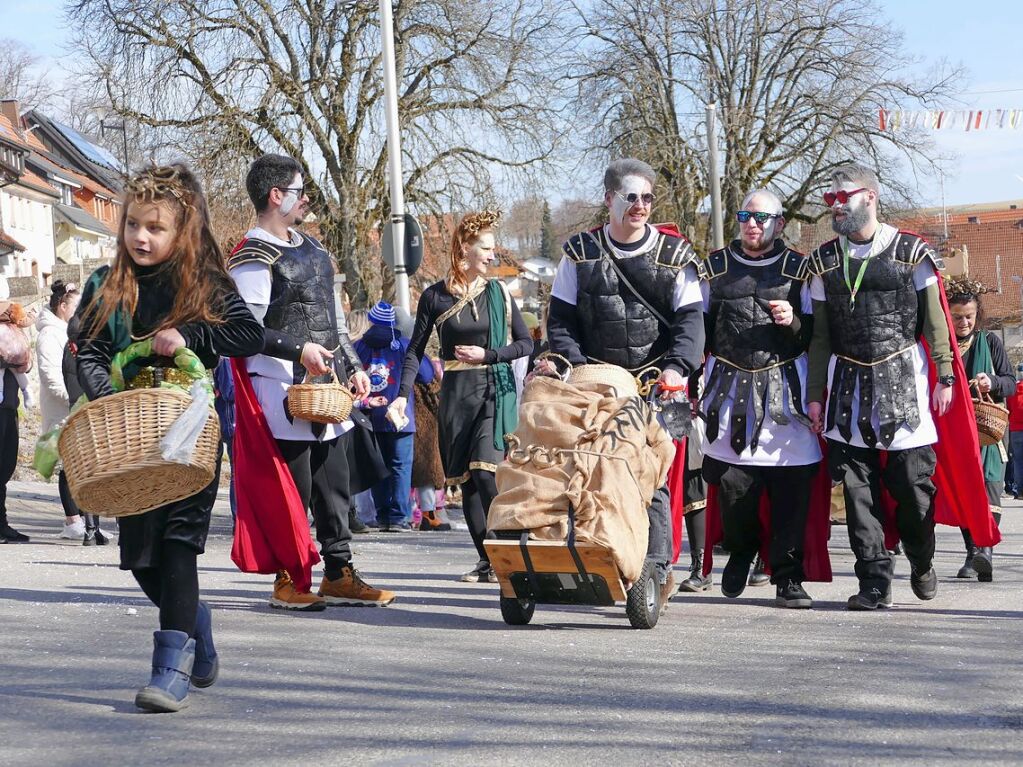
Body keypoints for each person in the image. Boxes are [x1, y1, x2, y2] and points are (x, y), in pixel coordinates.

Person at [74, 163, 263, 712]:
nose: (140, 236)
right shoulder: (107, 285)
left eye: (155, 227)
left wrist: (191, 331)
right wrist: (106, 397)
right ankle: (194, 621)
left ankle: (170, 669)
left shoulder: (204, 281)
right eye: (133, 224)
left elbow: (246, 332)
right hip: (128, 434)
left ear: (182, 230)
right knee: (139, 556)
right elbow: (86, 350)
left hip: (189, 432)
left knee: (179, 546)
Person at [806, 162, 995, 610]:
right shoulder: (823, 261)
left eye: (842, 197)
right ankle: (874, 581)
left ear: (869, 196)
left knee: (912, 487)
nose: (835, 206)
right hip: (847, 388)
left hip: (905, 386)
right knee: (857, 493)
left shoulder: (913, 253)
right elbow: (819, 338)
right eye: (830, 199)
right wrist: (815, 395)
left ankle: (922, 558)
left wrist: (947, 375)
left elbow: (935, 323)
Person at [229, 153, 394, 610]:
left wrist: (355, 366)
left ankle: (339, 573)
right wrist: (297, 350)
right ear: (275, 195)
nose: (306, 200)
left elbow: (334, 322)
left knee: (333, 484)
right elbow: (244, 331)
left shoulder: (316, 250)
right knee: (292, 489)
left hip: (329, 389)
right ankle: (288, 576)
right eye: (299, 191)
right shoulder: (251, 256)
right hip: (281, 387)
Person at [541, 157, 705, 605]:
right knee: (590, 470)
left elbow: (692, 323)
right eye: (631, 197)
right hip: (598, 384)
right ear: (609, 199)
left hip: (661, 383)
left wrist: (677, 368)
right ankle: (597, 558)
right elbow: (561, 321)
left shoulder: (677, 256)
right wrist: (575, 368)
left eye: (648, 197)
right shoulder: (579, 253)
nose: (640, 205)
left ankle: (656, 568)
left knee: (656, 479)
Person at [390, 210, 533, 581]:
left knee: (487, 473)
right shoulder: (435, 297)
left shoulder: (499, 292)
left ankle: (507, 552)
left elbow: (524, 343)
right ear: (463, 249)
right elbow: (414, 351)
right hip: (455, 396)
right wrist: (401, 395)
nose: (491, 255)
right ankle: (486, 559)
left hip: (492, 391)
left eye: (492, 248)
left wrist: (489, 355)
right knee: (466, 480)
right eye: (485, 248)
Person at [699, 189, 821, 608]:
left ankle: (788, 576)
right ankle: (742, 548)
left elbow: (817, 336)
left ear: (779, 223)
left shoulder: (801, 269)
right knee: (732, 485)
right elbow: (697, 329)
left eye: (762, 217)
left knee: (791, 489)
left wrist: (794, 322)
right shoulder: (713, 268)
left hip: (785, 389)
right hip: (729, 392)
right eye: (745, 216)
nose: (753, 224)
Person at [946, 277, 1012, 581]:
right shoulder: (943, 346)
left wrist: (992, 382)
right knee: (965, 489)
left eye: (968, 316)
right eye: (957, 316)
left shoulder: (990, 341)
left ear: (977, 314)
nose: (963, 322)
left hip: (989, 429)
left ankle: (985, 550)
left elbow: (1010, 383)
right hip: (957, 427)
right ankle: (973, 552)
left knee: (989, 485)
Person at [355, 301, 434, 532]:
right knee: (400, 467)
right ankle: (399, 517)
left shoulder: (359, 347)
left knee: (377, 466)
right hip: (400, 417)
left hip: (369, 415)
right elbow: (427, 374)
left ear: (371, 322)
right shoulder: (404, 345)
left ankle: (382, 516)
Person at [36, 280, 92, 541]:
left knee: (79, 462)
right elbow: (50, 376)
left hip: (76, 406)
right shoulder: (50, 334)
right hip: (62, 408)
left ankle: (85, 517)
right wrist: (74, 399)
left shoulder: (71, 332)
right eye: (76, 306)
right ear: (62, 306)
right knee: (67, 464)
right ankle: (72, 520)